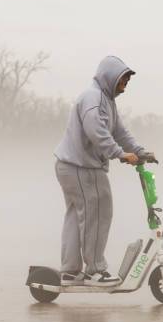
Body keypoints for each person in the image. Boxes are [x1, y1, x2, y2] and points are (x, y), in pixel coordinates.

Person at [53, 55, 147, 287]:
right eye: (122, 81)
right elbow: (96, 131)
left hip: (72, 165)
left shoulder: (106, 101)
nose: (125, 86)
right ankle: (95, 270)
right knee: (98, 214)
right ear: (110, 77)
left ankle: (70, 270)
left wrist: (139, 151)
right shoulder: (93, 98)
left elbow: (119, 132)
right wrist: (119, 154)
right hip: (82, 167)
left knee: (78, 216)